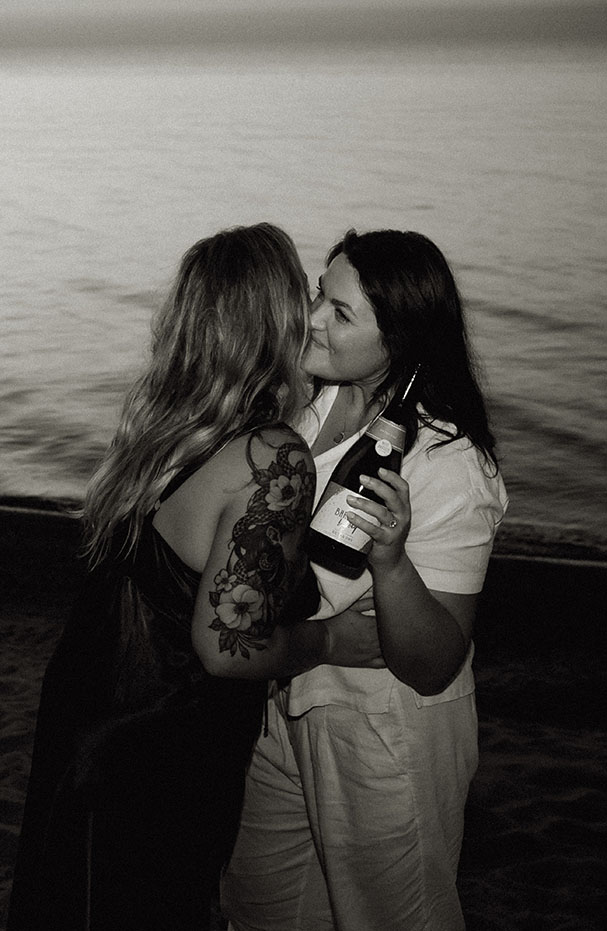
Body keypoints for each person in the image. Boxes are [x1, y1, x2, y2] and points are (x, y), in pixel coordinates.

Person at [7, 223, 383, 931]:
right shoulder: (273, 456)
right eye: (303, 294)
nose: (311, 313)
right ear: (271, 315)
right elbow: (223, 645)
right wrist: (329, 641)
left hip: (88, 717)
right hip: (158, 755)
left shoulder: (160, 425)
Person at [221, 228, 509, 931]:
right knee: (259, 905)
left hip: (385, 730)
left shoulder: (446, 465)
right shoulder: (306, 404)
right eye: (322, 293)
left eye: (340, 312)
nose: (313, 316)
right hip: (286, 700)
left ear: (400, 340)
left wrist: (389, 561)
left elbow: (433, 662)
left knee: (391, 916)